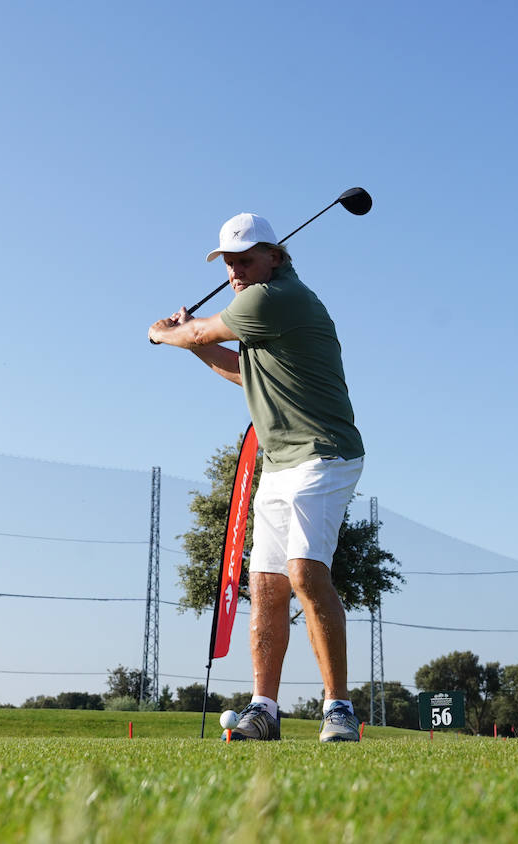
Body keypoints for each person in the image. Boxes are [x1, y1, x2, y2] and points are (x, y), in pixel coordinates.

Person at [149, 212, 365, 743]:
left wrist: (166, 334)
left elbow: (202, 329)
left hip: (323, 455)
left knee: (305, 573)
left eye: (246, 260)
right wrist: (192, 341)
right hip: (279, 461)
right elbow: (241, 370)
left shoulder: (274, 298)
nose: (237, 271)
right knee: (266, 584)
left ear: (277, 254)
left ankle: (339, 708)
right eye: (229, 263)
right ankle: (264, 708)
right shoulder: (260, 308)